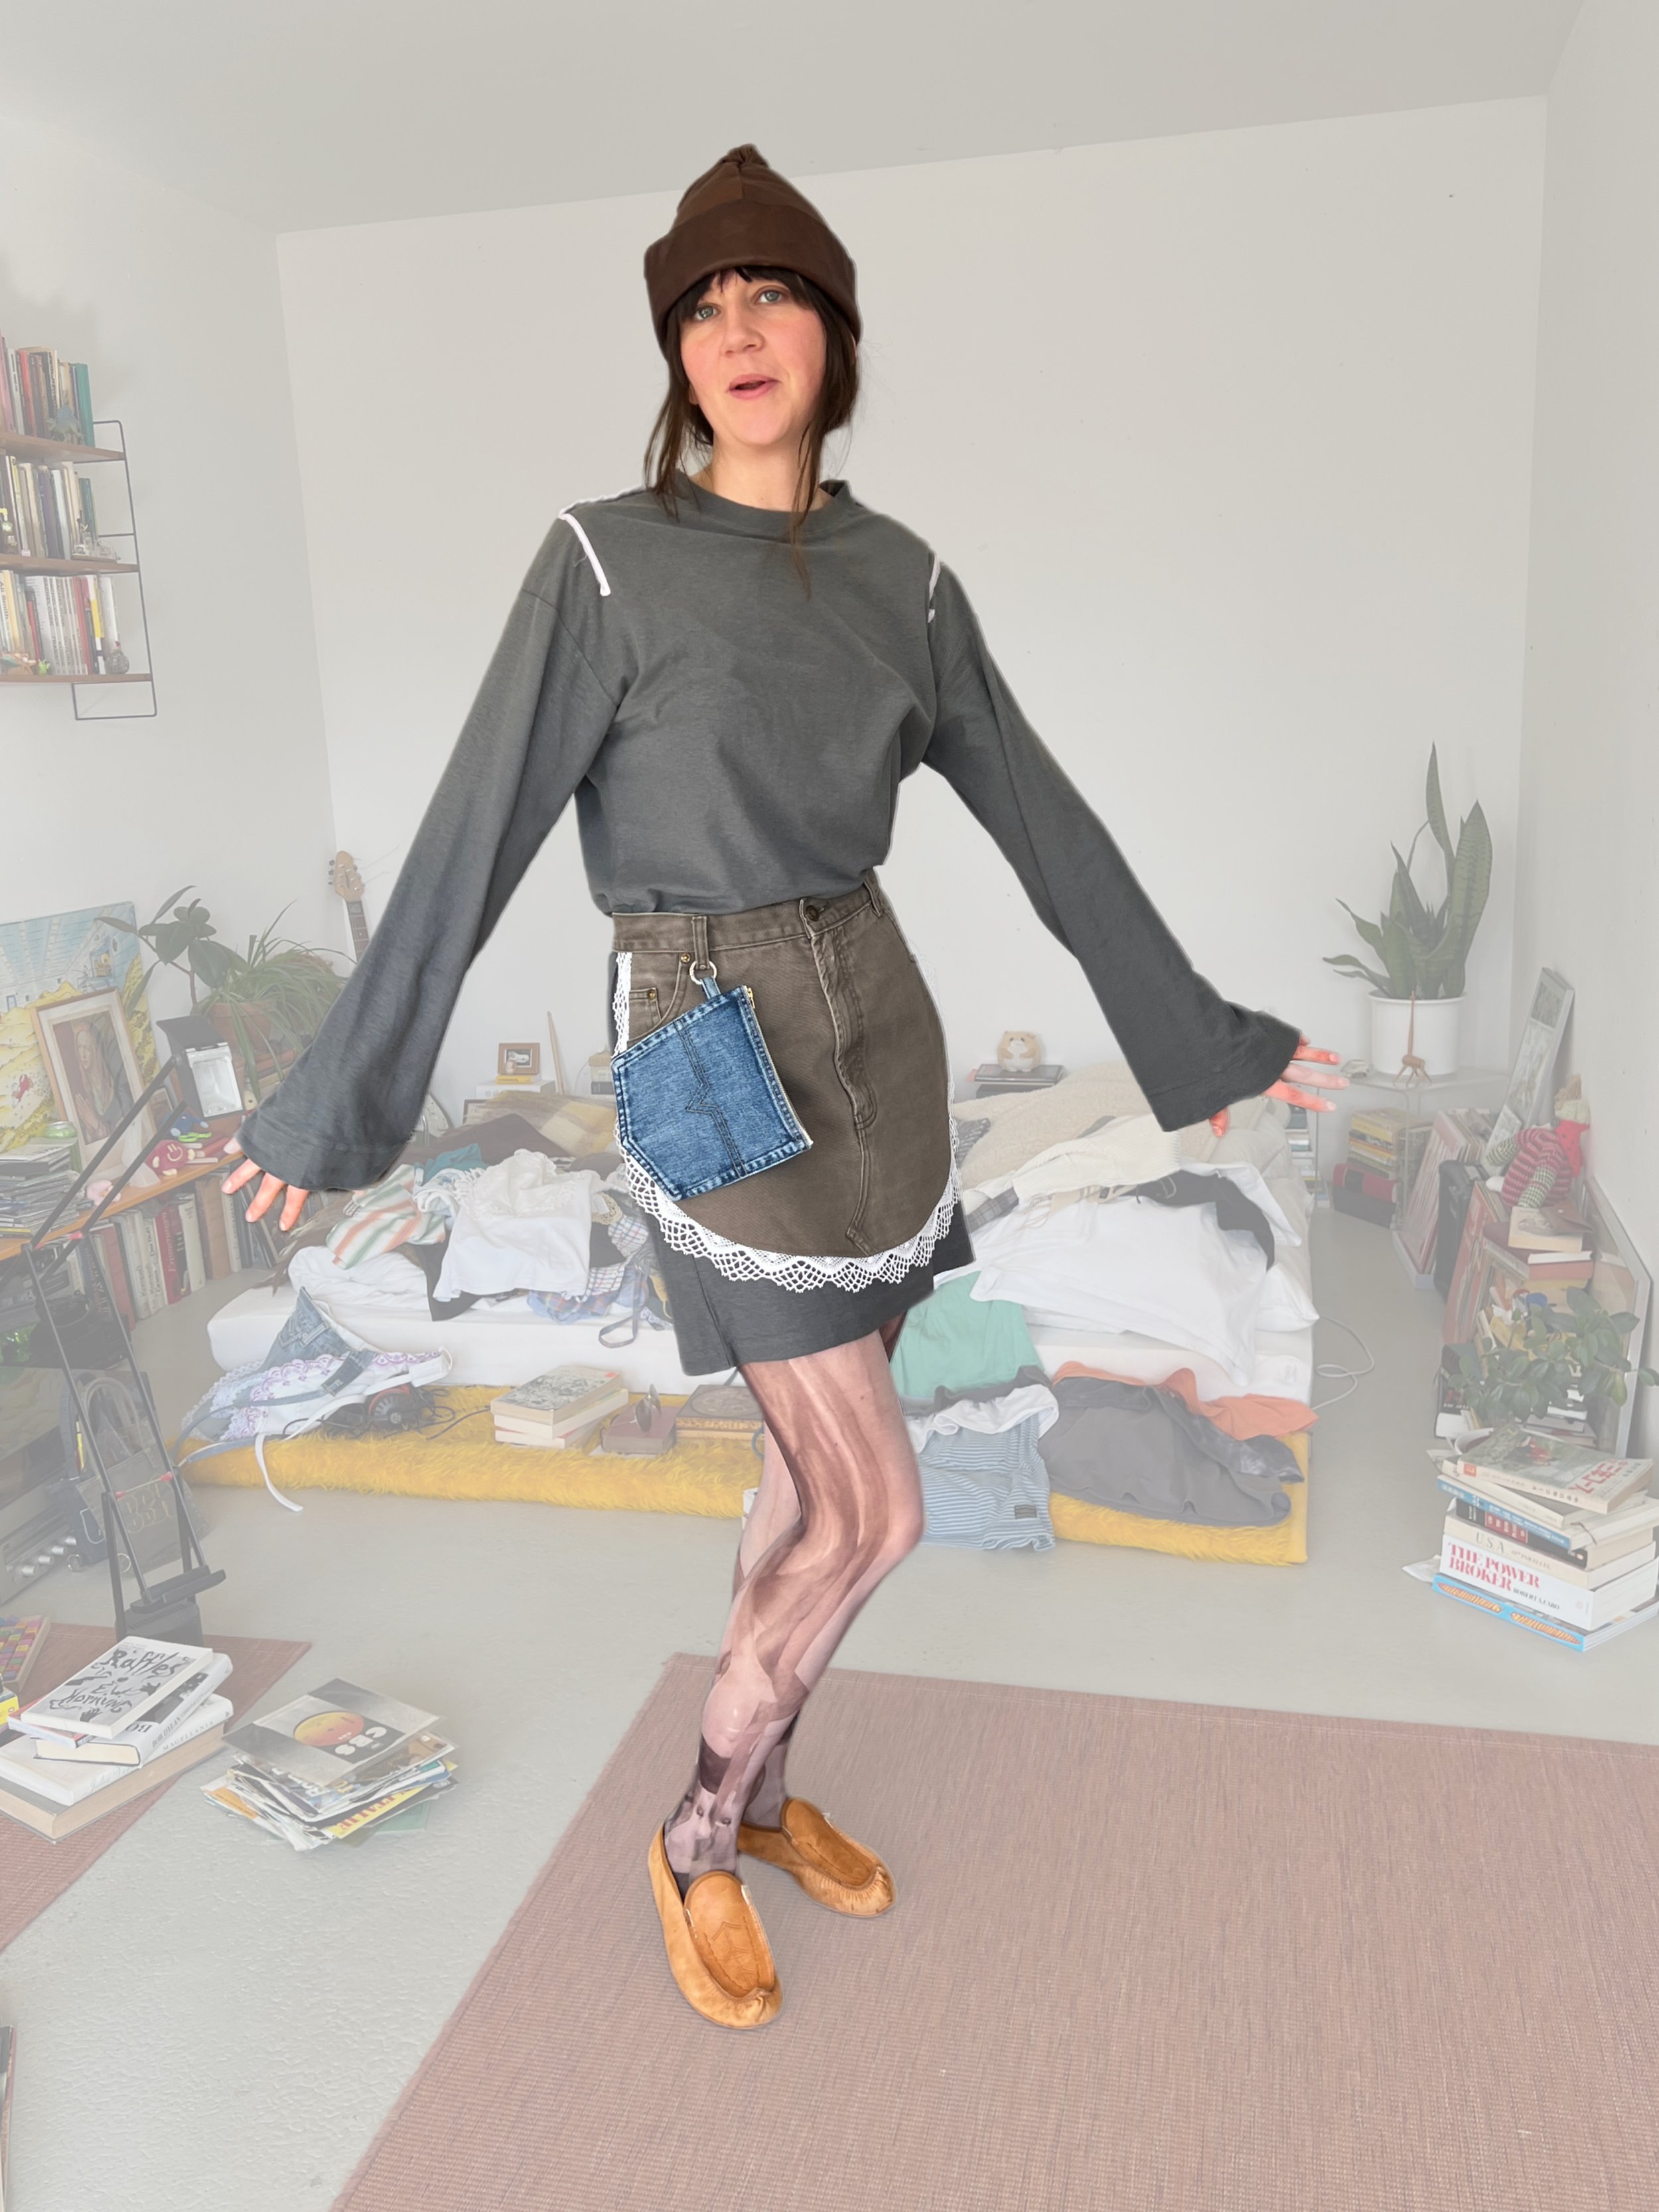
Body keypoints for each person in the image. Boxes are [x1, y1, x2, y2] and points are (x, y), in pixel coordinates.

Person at [225, 145, 1345, 2031]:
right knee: (877, 1509)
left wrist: (1200, 1034)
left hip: (875, 1025)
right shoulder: (603, 561)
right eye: (703, 308)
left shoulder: (906, 581)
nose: (737, 331)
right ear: (676, 355)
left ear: (835, 334)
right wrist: (333, 1100)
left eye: (773, 296)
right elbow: (470, 836)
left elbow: (1045, 821)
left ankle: (754, 1794)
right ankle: (691, 1835)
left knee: (798, 1477)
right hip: (698, 1036)